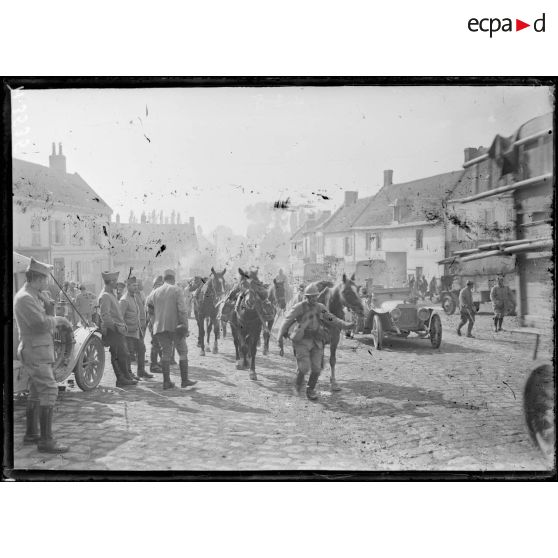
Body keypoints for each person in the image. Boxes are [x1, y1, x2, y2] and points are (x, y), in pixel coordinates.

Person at [13, 257, 73, 453]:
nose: (47, 283)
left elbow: (42, 319)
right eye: (45, 279)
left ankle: (32, 434)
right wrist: (59, 319)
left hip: (37, 350)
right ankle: (46, 441)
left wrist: (49, 306)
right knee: (49, 390)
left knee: (37, 392)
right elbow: (40, 324)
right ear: (37, 278)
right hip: (35, 350)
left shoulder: (32, 295)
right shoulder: (25, 298)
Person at [278, 284, 354, 401]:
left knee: (317, 368)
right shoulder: (299, 307)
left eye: (315, 296)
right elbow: (287, 320)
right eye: (310, 297)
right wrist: (280, 339)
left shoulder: (320, 307)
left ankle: (310, 390)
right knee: (304, 367)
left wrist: (345, 325)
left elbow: (331, 318)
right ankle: (298, 384)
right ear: (306, 297)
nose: (313, 299)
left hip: (317, 340)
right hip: (302, 340)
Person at [146, 268, 196, 390]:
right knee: (183, 352)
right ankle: (184, 381)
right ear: (173, 279)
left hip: (160, 328)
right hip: (176, 328)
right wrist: (185, 326)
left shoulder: (154, 292)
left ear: (163, 279)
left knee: (166, 353)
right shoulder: (176, 290)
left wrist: (154, 323)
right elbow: (182, 310)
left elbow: (149, 308)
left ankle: (166, 382)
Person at [98, 270, 137, 387]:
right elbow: (105, 315)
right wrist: (115, 328)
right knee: (118, 354)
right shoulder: (105, 295)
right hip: (113, 330)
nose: (117, 283)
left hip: (117, 329)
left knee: (122, 354)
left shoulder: (110, 294)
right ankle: (121, 379)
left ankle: (125, 376)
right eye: (115, 281)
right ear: (110, 281)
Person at [119, 276, 153, 380]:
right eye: (133, 285)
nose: (136, 287)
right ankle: (129, 374)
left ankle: (141, 372)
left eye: (136, 285)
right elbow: (120, 317)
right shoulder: (124, 300)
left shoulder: (134, 297)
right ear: (128, 286)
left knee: (141, 350)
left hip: (137, 331)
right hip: (128, 332)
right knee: (128, 354)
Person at [146, 275, 164, 373]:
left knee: (159, 344)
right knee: (155, 344)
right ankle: (153, 365)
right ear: (154, 285)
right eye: (158, 284)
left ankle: (159, 363)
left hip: (160, 324)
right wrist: (154, 326)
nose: (159, 286)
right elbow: (150, 313)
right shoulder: (152, 295)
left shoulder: (160, 294)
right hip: (154, 324)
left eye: (161, 284)